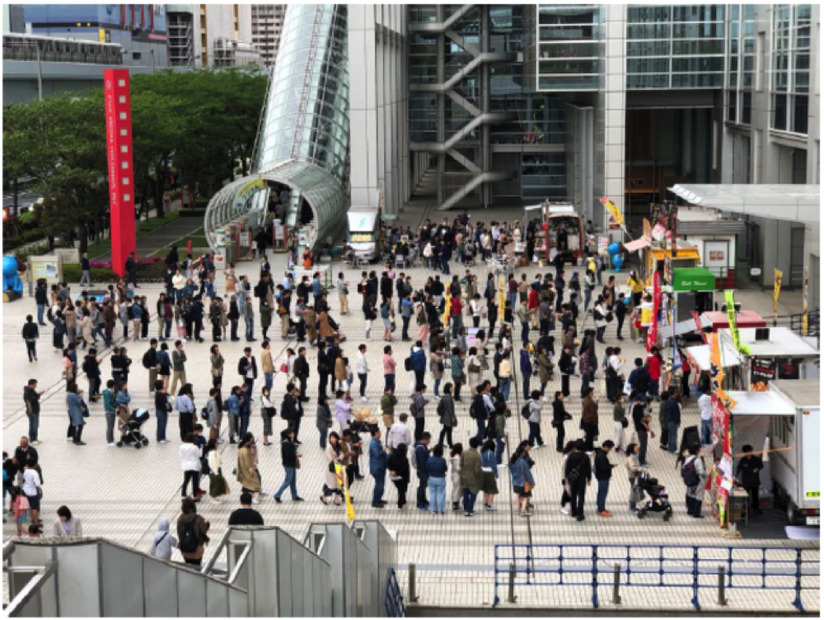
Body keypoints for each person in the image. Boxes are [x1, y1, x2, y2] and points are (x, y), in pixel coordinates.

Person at [176, 498, 210, 566]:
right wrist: (207, 524)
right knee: (197, 566)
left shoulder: (180, 519)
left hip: (184, 549)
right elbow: (203, 530)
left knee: (188, 566)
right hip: (197, 549)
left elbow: (179, 533)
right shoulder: (198, 518)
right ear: (192, 508)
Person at [273, 429, 304, 503]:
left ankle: (294, 495)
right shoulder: (286, 443)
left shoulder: (288, 441)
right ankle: (277, 495)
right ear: (289, 434)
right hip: (289, 464)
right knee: (288, 481)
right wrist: (296, 454)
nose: (294, 434)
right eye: (292, 433)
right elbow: (288, 454)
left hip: (290, 464)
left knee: (293, 481)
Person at [565, 439, 592, 521]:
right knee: (581, 496)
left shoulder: (571, 455)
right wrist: (589, 478)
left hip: (573, 478)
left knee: (573, 495)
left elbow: (568, 467)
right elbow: (588, 468)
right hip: (581, 478)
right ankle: (580, 514)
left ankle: (573, 511)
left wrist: (567, 477)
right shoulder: (585, 456)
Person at [736, 444, 764, 515]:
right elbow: (738, 469)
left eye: (750, 451)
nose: (749, 453)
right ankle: (745, 509)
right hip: (746, 482)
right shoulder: (743, 460)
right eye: (747, 452)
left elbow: (761, 465)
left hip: (755, 481)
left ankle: (756, 508)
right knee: (746, 497)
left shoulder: (756, 459)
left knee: (755, 496)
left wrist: (757, 468)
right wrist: (734, 475)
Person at [510, 442, 536, 517]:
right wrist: (532, 482)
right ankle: (523, 511)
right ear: (522, 453)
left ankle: (517, 509)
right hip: (523, 483)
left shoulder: (512, 460)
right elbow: (527, 473)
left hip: (515, 481)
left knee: (517, 495)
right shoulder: (523, 462)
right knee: (525, 497)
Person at [459, 437, 483, 518]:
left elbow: (461, 463)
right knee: (473, 493)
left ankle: (466, 508)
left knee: (465, 493)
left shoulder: (464, 452)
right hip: (473, 477)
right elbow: (477, 469)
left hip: (464, 475)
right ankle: (469, 510)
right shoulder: (477, 455)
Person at [236, 433, 262, 504]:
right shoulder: (244, 450)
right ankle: (253, 498)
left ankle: (249, 496)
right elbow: (247, 462)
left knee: (247, 484)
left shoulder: (242, 449)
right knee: (254, 483)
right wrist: (251, 469)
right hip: (248, 470)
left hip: (245, 470)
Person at [684, 443, 708, 518]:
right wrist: (706, 475)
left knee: (691, 494)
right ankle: (696, 513)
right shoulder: (697, 460)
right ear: (697, 451)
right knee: (699, 496)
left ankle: (690, 510)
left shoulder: (688, 458)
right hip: (698, 480)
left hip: (689, 480)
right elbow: (700, 472)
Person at [594, 440, 616, 517]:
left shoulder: (599, 453)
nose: (610, 451)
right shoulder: (602, 456)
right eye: (609, 449)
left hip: (601, 476)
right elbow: (604, 467)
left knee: (601, 492)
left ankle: (601, 507)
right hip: (603, 477)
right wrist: (610, 466)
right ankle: (601, 510)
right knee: (603, 493)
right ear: (606, 447)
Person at [321, 432, 344, 506]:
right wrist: (336, 459)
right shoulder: (329, 447)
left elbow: (342, 454)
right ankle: (324, 497)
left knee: (339, 484)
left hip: (338, 467)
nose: (333, 439)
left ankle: (336, 499)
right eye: (331, 438)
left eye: (334, 438)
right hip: (332, 469)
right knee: (331, 485)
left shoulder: (338, 445)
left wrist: (338, 458)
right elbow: (330, 458)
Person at [631, 391, 652, 466]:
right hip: (641, 429)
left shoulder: (638, 407)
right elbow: (641, 420)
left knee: (644, 445)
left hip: (642, 428)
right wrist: (647, 421)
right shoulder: (637, 408)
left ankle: (643, 459)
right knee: (643, 445)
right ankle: (641, 460)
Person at [426, 444, 448, 515]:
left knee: (432, 493)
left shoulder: (429, 459)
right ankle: (441, 509)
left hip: (431, 478)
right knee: (441, 493)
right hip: (440, 478)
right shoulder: (443, 460)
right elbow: (445, 469)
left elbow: (427, 467)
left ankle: (433, 509)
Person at [387, 443, 410, 510]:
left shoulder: (392, 456)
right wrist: (397, 472)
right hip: (402, 477)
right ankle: (400, 504)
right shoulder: (404, 458)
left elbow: (388, 463)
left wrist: (391, 471)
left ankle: (403, 500)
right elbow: (404, 468)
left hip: (394, 477)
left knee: (400, 489)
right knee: (402, 490)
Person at [179, 433, 203, 500]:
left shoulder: (182, 447)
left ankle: (183, 494)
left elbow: (180, 455)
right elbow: (199, 455)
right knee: (195, 481)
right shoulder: (194, 447)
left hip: (186, 465)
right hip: (194, 465)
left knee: (186, 480)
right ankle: (195, 495)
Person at [369, 428, 388, 508]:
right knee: (379, 485)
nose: (380, 434)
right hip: (377, 468)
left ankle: (379, 499)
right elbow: (377, 454)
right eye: (379, 432)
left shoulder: (377, 441)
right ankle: (375, 501)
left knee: (381, 484)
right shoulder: (373, 443)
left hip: (381, 466)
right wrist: (383, 450)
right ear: (376, 433)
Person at [436, 383, 457, 448]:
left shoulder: (445, 396)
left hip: (445, 416)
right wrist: (453, 416)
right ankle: (450, 444)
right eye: (452, 387)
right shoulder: (449, 397)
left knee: (445, 429)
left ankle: (440, 443)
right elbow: (450, 408)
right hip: (448, 416)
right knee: (449, 430)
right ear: (449, 388)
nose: (453, 388)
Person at [21, 461, 42, 527]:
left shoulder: (26, 471)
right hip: (32, 492)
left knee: (29, 506)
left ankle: (32, 519)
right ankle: (36, 523)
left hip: (25, 490)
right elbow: (37, 483)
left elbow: (24, 479)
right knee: (34, 508)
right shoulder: (34, 472)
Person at [480, 439, 499, 511]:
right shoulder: (490, 453)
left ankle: (485, 502)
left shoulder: (482, 451)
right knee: (492, 490)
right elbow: (493, 464)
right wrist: (496, 473)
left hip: (482, 472)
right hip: (489, 472)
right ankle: (489, 504)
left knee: (485, 489)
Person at [414, 433, 431, 510]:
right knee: (422, 486)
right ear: (424, 439)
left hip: (422, 471)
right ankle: (420, 502)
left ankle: (423, 500)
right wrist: (426, 471)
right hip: (422, 471)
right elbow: (422, 462)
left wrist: (429, 451)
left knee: (423, 485)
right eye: (428, 440)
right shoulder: (420, 449)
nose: (429, 441)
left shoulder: (420, 445)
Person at [23, 379, 43, 445]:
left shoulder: (32, 391)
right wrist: (38, 395)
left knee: (36, 425)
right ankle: (32, 439)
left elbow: (35, 397)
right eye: (34, 385)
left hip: (36, 410)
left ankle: (35, 438)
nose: (35, 386)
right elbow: (32, 400)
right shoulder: (27, 392)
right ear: (30, 385)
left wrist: (38, 395)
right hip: (31, 411)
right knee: (33, 425)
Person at [625, 443, 644, 512]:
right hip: (633, 477)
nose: (638, 448)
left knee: (635, 491)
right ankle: (631, 507)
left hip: (635, 476)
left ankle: (633, 506)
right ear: (632, 449)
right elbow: (633, 468)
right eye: (636, 448)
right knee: (634, 492)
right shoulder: (630, 458)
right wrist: (641, 469)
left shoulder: (635, 456)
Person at [580, 387, 599, 453]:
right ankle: (588, 449)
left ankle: (590, 447)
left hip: (587, 421)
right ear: (589, 393)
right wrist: (594, 420)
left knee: (589, 435)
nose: (593, 393)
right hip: (589, 421)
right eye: (592, 391)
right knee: (589, 436)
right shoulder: (589, 402)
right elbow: (593, 411)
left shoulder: (586, 400)